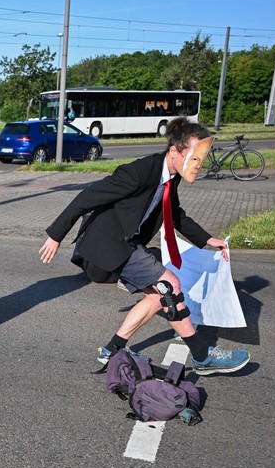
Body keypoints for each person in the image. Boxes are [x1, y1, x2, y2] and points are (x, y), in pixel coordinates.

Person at [38, 117, 250, 375]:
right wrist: (56, 234)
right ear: (174, 152)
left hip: (129, 243)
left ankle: (113, 349)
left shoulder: (171, 176)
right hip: (111, 243)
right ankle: (202, 355)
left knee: (158, 295)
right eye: (194, 159)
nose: (199, 166)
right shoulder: (140, 171)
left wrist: (207, 240)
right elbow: (88, 196)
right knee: (170, 285)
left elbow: (175, 213)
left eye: (201, 160)